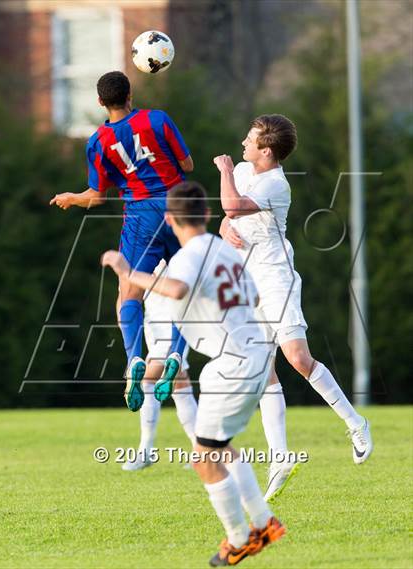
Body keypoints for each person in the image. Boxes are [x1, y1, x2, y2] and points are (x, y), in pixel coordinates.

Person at [102, 181, 286, 566]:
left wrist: (127, 272)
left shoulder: (189, 255)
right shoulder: (225, 250)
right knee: (219, 448)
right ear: (206, 214)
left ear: (169, 220)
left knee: (204, 457)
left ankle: (240, 539)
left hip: (231, 364)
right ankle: (265, 523)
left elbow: (176, 286)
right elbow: (251, 297)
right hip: (254, 357)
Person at [214, 114, 373, 502]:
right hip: (249, 282)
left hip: (275, 280)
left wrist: (224, 171)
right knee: (261, 370)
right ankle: (281, 457)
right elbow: (228, 217)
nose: (242, 144)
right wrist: (223, 228)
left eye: (249, 140)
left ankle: (356, 423)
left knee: (298, 359)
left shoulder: (275, 183)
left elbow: (232, 205)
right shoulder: (252, 171)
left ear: (266, 151)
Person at [50, 71, 193, 413]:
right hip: (178, 207)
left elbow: (97, 197)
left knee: (129, 292)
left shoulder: (98, 141)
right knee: (189, 286)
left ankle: (134, 358)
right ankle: (176, 351)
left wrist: (73, 197)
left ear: (100, 102)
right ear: (130, 94)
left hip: (141, 216)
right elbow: (187, 163)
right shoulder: (157, 120)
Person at [123, 261, 197, 472]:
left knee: (148, 377)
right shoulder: (141, 244)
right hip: (152, 320)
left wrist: (136, 277)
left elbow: (177, 286)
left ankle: (146, 450)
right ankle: (203, 451)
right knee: (179, 383)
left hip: (173, 320)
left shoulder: (171, 245)